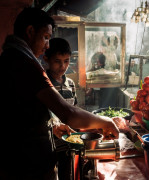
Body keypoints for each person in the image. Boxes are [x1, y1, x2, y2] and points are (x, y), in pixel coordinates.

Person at [0, 7, 119, 180]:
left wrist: (52, 124)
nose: (47, 45)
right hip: (26, 165)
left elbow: (23, 111)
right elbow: (69, 113)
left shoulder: (11, 58)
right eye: (46, 37)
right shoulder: (24, 64)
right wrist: (106, 121)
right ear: (30, 31)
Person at [43, 37, 78, 180]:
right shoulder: (44, 83)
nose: (63, 66)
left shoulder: (70, 84)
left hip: (68, 144)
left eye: (66, 61)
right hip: (49, 145)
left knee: (67, 175)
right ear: (47, 59)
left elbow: (74, 111)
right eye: (57, 61)